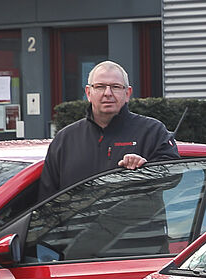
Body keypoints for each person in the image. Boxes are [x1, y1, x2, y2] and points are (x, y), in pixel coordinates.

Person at [38, 61, 179, 199]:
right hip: (79, 223)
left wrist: (146, 169)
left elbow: (174, 176)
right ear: (88, 92)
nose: (108, 93)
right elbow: (47, 199)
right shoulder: (65, 139)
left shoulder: (152, 131)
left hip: (135, 222)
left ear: (127, 93)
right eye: (100, 86)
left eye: (116, 86)